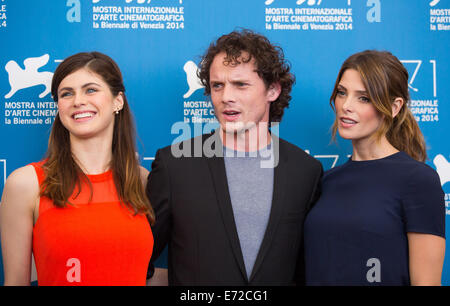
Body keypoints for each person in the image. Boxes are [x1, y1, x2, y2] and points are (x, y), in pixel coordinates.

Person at [146, 29, 322, 285]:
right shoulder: (174, 165)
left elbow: (308, 269)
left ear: (272, 90)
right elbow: (137, 258)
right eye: (218, 85)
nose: (226, 97)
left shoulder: (306, 171)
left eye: (240, 84)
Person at [0, 52, 154, 286]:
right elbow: (15, 282)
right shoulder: (27, 184)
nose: (78, 101)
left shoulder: (142, 181)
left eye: (90, 90)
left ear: (118, 101)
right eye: (66, 93)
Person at [304, 50, 446, 286]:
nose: (346, 106)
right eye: (342, 93)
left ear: (394, 107)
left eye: (364, 98)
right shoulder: (327, 180)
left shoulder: (418, 180)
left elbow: (427, 283)